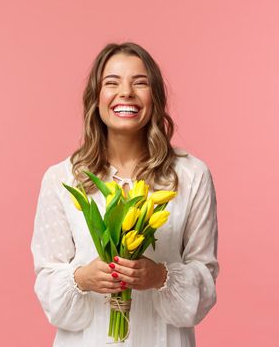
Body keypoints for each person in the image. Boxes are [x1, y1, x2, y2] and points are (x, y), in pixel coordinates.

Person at [31, 42, 219, 347]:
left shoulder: (190, 175)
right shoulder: (61, 178)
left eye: (140, 82)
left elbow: (205, 282)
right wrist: (82, 279)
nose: (126, 92)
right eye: (112, 82)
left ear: (155, 98)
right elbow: (48, 283)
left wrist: (159, 276)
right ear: (96, 98)